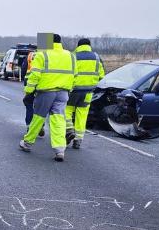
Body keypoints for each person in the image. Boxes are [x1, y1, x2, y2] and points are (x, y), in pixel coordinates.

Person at [19, 34, 75, 162]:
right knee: (59, 120)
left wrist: (28, 91)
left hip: (46, 92)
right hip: (63, 93)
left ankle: (27, 143)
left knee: (38, 118)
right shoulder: (70, 56)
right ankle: (60, 150)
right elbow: (74, 75)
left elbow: (35, 75)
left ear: (48, 43)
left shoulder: (42, 55)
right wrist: (68, 89)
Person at [65, 38, 105, 149]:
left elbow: (68, 73)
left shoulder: (73, 56)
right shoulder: (96, 57)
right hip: (88, 92)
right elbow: (101, 75)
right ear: (89, 45)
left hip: (73, 90)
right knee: (82, 115)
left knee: (67, 111)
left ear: (78, 46)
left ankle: (69, 129)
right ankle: (78, 140)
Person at [22, 49, 44, 138]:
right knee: (41, 105)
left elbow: (24, 69)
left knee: (29, 103)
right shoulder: (50, 55)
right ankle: (40, 125)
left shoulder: (31, 55)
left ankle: (29, 125)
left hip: (30, 81)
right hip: (44, 83)